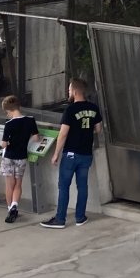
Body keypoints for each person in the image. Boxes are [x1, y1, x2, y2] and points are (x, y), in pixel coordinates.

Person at [40, 78, 102, 229]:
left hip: (70, 155)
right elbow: (98, 129)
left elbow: (62, 134)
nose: (68, 92)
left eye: (69, 90)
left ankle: (60, 219)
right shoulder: (94, 108)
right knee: (82, 186)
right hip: (86, 154)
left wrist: (56, 154)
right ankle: (80, 217)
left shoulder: (70, 110)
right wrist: (85, 132)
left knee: (64, 186)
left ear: (74, 91)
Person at [0, 95, 38, 224]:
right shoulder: (30, 120)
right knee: (18, 184)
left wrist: (7, 143)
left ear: (9, 110)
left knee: (9, 184)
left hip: (9, 156)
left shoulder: (9, 124)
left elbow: (4, 144)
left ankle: (10, 208)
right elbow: (36, 137)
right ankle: (15, 204)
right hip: (22, 156)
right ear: (19, 107)